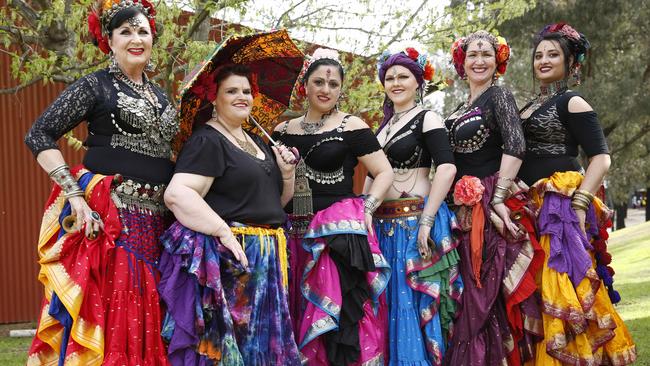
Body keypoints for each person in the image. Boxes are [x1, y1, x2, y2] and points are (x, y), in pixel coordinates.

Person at [24, 1, 175, 364]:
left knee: (157, 311)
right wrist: (74, 195)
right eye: (125, 32)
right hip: (112, 219)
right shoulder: (95, 86)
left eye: (142, 31)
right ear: (109, 40)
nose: (136, 39)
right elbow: (39, 134)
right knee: (118, 312)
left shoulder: (162, 96)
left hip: (160, 222)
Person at [157, 64, 301, 365]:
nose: (242, 97)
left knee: (261, 346)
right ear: (214, 98)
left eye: (247, 91)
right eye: (231, 91)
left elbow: (273, 203)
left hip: (269, 257)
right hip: (236, 258)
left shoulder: (258, 142)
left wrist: (286, 174)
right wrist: (222, 230)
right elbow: (177, 193)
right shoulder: (208, 140)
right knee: (236, 345)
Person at [519, 22, 636, 364]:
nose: (543, 60)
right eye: (539, 55)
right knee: (538, 286)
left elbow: (601, 157)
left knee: (565, 285)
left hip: (561, 206)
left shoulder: (573, 101)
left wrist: (581, 201)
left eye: (553, 54)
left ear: (572, 63)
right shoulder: (527, 106)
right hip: (529, 203)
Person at [273, 48, 393, 365]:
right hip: (292, 233)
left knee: (339, 314)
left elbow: (384, 172)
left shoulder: (351, 126)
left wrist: (366, 209)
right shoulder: (282, 132)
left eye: (333, 83)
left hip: (336, 237)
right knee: (295, 309)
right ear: (305, 86)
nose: (326, 89)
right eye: (318, 82)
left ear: (340, 88)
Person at [442, 30, 543, 365]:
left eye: (486, 54)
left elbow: (516, 146)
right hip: (459, 205)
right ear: (462, 61)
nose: (479, 60)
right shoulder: (458, 107)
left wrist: (498, 198)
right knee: (465, 287)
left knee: (484, 286)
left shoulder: (498, 95)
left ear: (497, 60)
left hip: (490, 198)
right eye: (472, 55)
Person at [364, 47, 462, 365]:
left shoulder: (427, 117)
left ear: (418, 81)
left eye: (403, 76)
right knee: (387, 307)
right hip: (381, 226)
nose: (395, 82)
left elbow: (446, 168)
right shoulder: (382, 128)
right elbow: (370, 178)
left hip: (414, 223)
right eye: (389, 77)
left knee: (410, 305)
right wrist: (361, 216)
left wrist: (427, 221)